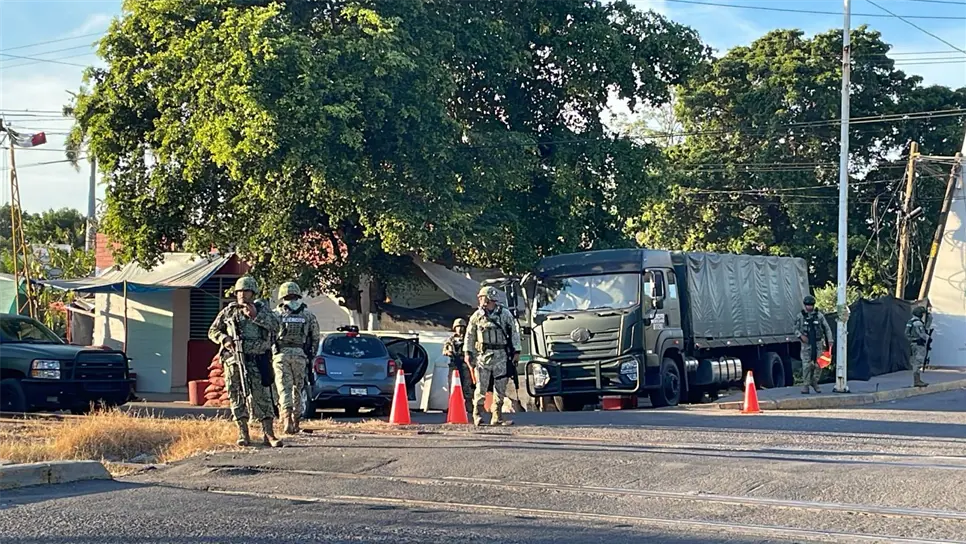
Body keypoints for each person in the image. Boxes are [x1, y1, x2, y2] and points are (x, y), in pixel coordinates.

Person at [208, 276, 282, 447]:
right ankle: (243, 433)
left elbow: (277, 327)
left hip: (257, 360)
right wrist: (224, 338)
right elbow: (213, 330)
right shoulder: (229, 311)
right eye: (239, 291)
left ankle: (268, 434)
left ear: (253, 293)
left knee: (262, 396)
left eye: (246, 291)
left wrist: (256, 317)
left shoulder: (263, 310)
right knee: (236, 396)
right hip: (235, 360)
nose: (242, 294)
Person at [464, 286, 521, 426]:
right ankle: (477, 414)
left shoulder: (504, 314)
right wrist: (468, 352)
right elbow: (470, 335)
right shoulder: (477, 316)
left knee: (500, 387)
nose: (480, 300)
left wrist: (517, 351)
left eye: (482, 297)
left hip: (501, 356)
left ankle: (497, 415)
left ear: (489, 298)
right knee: (481, 387)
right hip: (483, 356)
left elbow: (514, 332)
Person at [272, 281, 320, 434]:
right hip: (300, 356)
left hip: (280, 356)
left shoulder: (276, 314)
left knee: (283, 388)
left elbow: (268, 335)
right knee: (297, 389)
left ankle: (286, 420)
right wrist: (310, 355)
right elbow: (316, 338)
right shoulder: (308, 315)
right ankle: (296, 422)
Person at [794, 295, 832, 395]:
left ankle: (814, 381)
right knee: (806, 365)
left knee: (819, 364)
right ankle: (806, 385)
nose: (809, 307)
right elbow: (795, 329)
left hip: (818, 343)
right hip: (806, 344)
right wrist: (801, 336)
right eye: (807, 305)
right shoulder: (800, 316)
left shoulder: (819, 316)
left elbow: (827, 328)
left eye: (811, 305)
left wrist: (830, 340)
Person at [443, 318, 474, 416]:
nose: (460, 329)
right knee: (453, 386)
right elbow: (444, 350)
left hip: (465, 365)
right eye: (458, 327)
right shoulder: (450, 340)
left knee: (467, 386)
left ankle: (469, 406)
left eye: (462, 327)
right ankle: (453, 406)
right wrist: (448, 352)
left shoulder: (468, 339)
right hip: (454, 365)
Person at [906, 306, 929, 388]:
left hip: (913, 344)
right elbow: (922, 334)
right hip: (919, 344)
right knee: (918, 362)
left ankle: (917, 380)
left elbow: (907, 333)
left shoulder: (910, 321)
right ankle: (917, 380)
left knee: (915, 361)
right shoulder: (918, 323)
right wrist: (927, 338)